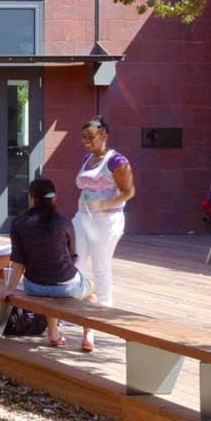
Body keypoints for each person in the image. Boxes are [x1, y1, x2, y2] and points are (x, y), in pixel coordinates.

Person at [2, 178, 93, 349]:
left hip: (34, 287)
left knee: (50, 292)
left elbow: (18, 261)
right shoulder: (64, 222)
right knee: (91, 291)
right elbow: (72, 255)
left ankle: (54, 333)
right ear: (54, 198)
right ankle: (88, 335)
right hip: (66, 285)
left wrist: (10, 288)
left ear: (31, 198)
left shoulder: (18, 223)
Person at [73, 115, 134, 333]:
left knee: (100, 265)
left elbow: (129, 191)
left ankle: (103, 312)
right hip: (82, 217)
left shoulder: (117, 161)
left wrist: (104, 203)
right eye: (83, 137)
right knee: (75, 260)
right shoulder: (87, 159)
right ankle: (70, 307)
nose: (85, 141)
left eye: (90, 137)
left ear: (104, 136)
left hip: (106, 220)